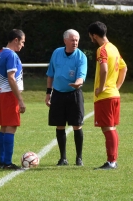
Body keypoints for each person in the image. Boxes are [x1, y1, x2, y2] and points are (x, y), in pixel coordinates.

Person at [88, 21, 127, 170]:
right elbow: (124, 68)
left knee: (108, 128)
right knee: (111, 128)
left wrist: (102, 87)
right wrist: (116, 87)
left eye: (91, 36)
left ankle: (111, 162)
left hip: (105, 96)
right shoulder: (114, 49)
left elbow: (104, 69)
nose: (91, 39)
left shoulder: (102, 50)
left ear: (95, 35)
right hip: (113, 94)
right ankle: (112, 161)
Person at [45, 29, 87, 166]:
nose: (75, 42)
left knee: (77, 125)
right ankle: (63, 158)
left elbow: (81, 75)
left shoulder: (81, 57)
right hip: (57, 93)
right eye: (72, 40)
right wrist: (48, 93)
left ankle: (79, 158)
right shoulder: (56, 53)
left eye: (77, 40)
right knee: (60, 125)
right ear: (65, 41)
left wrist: (77, 83)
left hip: (74, 94)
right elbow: (50, 73)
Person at [0, 29, 26, 170]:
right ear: (15, 40)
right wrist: (20, 100)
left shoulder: (0, 53)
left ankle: (2, 162)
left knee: (3, 128)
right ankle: (7, 162)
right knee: (11, 127)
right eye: (22, 42)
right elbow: (11, 78)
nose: (23, 45)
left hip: (1, 94)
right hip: (9, 95)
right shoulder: (11, 55)